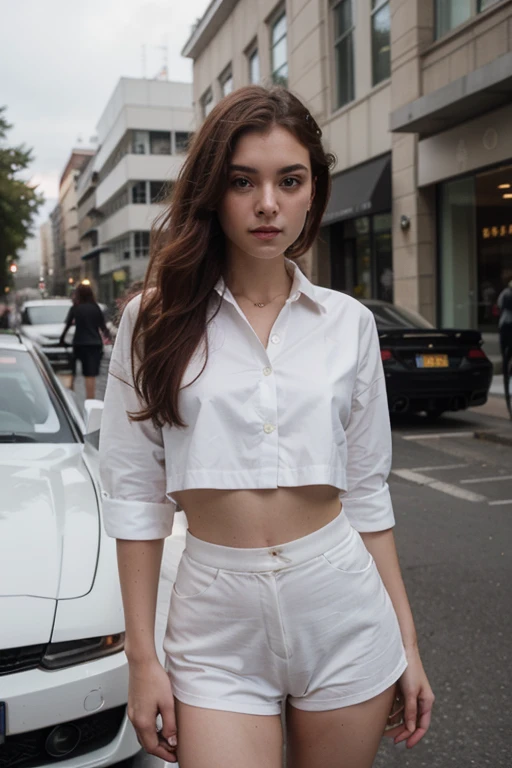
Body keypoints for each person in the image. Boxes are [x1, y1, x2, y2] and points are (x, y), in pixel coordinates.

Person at [98, 85, 434, 768]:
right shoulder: (152, 322)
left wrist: (408, 642)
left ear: (315, 191)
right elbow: (136, 500)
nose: (267, 204)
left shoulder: (350, 324)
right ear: (212, 192)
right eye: (242, 181)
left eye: (290, 180)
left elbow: (368, 495)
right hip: (215, 624)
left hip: (341, 606)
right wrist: (142, 657)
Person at [59, 282, 111, 399]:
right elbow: (102, 327)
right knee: (90, 374)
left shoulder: (76, 307)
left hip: (79, 343)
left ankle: (70, 397)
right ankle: (90, 399)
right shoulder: (95, 307)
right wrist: (109, 338)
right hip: (95, 344)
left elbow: (67, 325)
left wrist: (62, 339)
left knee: (73, 371)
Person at [497, 278, 512, 414]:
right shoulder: (506, 294)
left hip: (505, 328)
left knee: (506, 359)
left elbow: (499, 305)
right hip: (507, 329)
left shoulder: (504, 294)